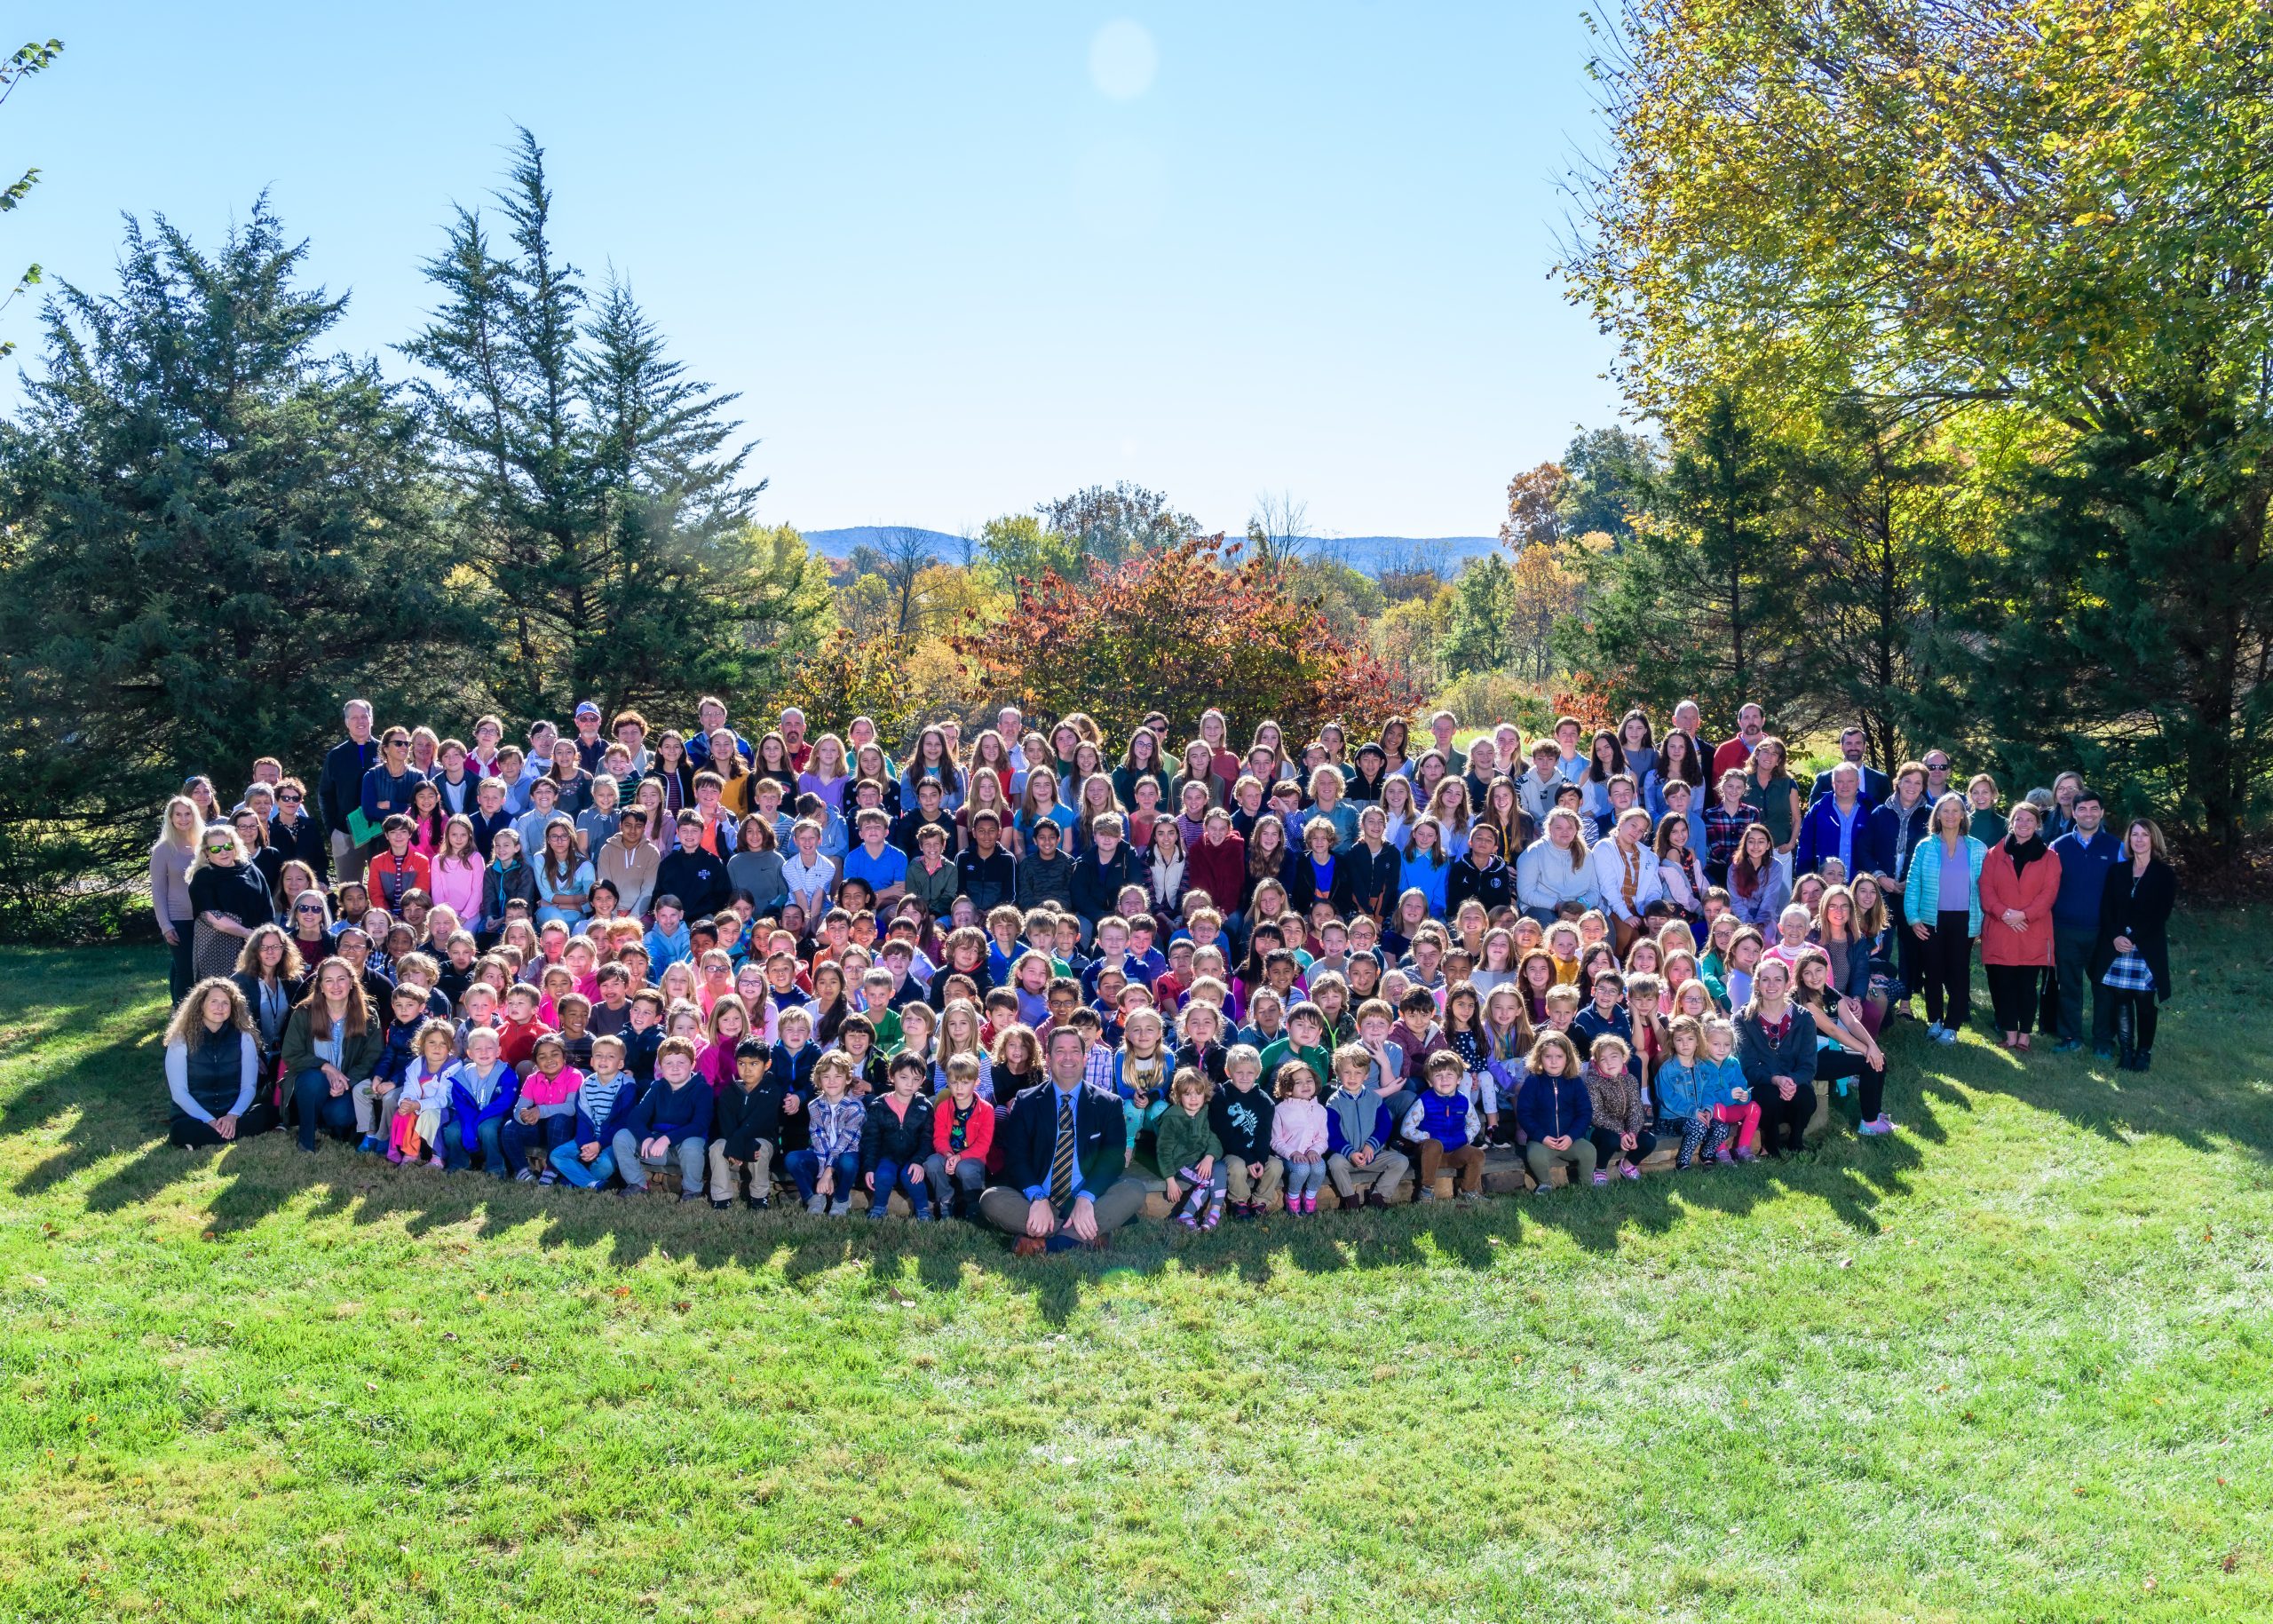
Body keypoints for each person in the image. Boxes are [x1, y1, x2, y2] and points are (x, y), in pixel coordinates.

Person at [979, 1026, 1143, 1252]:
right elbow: (1016, 1157)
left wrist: (1086, 1198)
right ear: (1048, 1058)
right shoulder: (1026, 1101)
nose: (1068, 1057)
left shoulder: (1108, 1103)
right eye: (1060, 1051)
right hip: (1038, 1199)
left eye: (1075, 1050)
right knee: (991, 1199)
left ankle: (1050, 1242)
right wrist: (1037, 1198)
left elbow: (1113, 1158)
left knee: (1134, 1190)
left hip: (1088, 1199)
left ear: (1084, 1058)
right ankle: (1084, 1235)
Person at [2092, 819, 2176, 1073]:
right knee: (2121, 997)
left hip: (2145, 946)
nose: (2138, 840)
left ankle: (2144, 1053)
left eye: (2144, 835)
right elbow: (2106, 909)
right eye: (2134, 835)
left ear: (2154, 840)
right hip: (2118, 945)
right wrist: (2116, 936)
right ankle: (2126, 1052)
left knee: (2144, 1000)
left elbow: (2161, 913)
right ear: (2128, 840)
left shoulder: (2164, 874)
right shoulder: (2117, 871)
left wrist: (2134, 937)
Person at [1903, 792, 1987, 1045]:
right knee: (1933, 970)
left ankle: (1952, 1025)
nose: (1950, 816)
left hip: (1965, 920)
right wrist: (1913, 918)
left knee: (1959, 972)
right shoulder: (1925, 846)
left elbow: (1986, 887)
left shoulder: (1977, 848)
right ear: (1937, 815)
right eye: (1945, 811)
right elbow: (1913, 884)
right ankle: (1936, 1020)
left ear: (1963, 815)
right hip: (1931, 919)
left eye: (1956, 811)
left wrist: (1983, 922)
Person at [1978, 801, 2060, 1052]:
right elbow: (1986, 889)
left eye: (2029, 820)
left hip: (2031, 931)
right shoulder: (1994, 854)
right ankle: (2009, 1034)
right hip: (2001, 930)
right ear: (2011, 823)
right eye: (2019, 819)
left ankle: (2025, 1035)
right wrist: (2005, 914)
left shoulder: (2050, 857)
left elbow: (2049, 893)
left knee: (2026, 988)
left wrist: (2023, 915)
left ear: (2037, 825)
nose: (2023, 824)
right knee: (2002, 986)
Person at [2047, 788, 2121, 1056]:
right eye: (2082, 809)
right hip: (2065, 928)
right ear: (2074, 812)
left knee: (2104, 987)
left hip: (2102, 931)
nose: (2088, 814)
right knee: (2068, 985)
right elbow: (2048, 886)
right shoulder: (2059, 846)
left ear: (2101, 812)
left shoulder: (2118, 848)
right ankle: (2070, 1037)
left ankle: (2103, 1042)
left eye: (2093, 809)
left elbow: (2125, 890)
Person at [281, 958, 381, 1153]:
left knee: (341, 1115)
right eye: (329, 980)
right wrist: (326, 1067)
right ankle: (306, 1141)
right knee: (314, 1079)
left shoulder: (367, 1015)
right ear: (320, 986)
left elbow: (372, 1056)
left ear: (351, 982)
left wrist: (346, 1082)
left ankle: (326, 1123)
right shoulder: (304, 1012)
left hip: (345, 1085)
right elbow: (291, 1054)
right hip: (309, 1084)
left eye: (341, 979)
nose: (335, 986)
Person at [164, 977, 276, 1148]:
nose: (220, 1007)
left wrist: (233, 1116)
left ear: (233, 1008)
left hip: (233, 1112)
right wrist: (208, 1120)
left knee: (268, 1113)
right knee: (180, 1130)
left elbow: (249, 1087)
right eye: (214, 1001)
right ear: (200, 1005)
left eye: (226, 1003)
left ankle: (214, 1136)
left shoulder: (244, 1037)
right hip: (195, 1115)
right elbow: (179, 1093)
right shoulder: (181, 1040)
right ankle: (224, 1134)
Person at [1735, 957, 1817, 1158]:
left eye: (1778, 979)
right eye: (1765, 979)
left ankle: (1796, 1140)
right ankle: (1770, 1144)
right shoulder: (1744, 1018)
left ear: (1788, 983)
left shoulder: (1804, 1018)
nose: (1772, 985)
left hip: (1793, 1085)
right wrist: (1775, 1079)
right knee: (1767, 1096)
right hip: (1764, 1085)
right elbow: (1749, 1066)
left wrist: (1791, 1081)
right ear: (1757, 983)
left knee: (1806, 1096)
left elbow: (1808, 1065)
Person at [616, 1036, 712, 1201]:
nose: (675, 1068)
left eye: (681, 1062)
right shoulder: (657, 1088)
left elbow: (699, 1124)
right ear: (661, 1067)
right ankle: (637, 1183)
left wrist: (667, 1138)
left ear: (692, 1064)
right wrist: (646, 1137)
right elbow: (635, 1117)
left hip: (684, 1149)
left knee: (693, 1143)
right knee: (622, 1136)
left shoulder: (702, 1089)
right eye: (668, 1063)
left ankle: (692, 1190)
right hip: (656, 1148)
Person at [187, 826, 276, 983]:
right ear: (206, 852)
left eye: (228, 846)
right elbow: (212, 916)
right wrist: (248, 934)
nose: (224, 852)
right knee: (223, 995)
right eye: (216, 849)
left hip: (258, 942)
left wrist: (265, 936)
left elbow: (266, 904)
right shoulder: (203, 877)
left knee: (257, 992)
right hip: (218, 948)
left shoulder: (250, 869)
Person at [1401, 1050, 1486, 1200]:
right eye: (1438, 1075)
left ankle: (1469, 1190)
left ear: (1459, 1078)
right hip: (1430, 1154)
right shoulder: (1424, 1101)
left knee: (1477, 1154)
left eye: (1450, 1075)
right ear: (1429, 1081)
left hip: (1455, 1152)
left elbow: (1474, 1124)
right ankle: (1427, 1191)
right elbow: (1406, 1129)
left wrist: (1466, 1137)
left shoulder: (1464, 1101)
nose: (1444, 1079)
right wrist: (1426, 1137)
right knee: (1433, 1145)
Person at [1517, 1030, 1594, 1192]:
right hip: (1542, 1141)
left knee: (1589, 1151)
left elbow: (1585, 1112)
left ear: (1568, 1058)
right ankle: (1545, 1183)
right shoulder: (1533, 1082)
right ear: (1539, 1057)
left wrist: (1572, 1136)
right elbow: (1524, 1113)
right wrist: (1541, 1137)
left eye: (1559, 1056)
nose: (1553, 1061)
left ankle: (1585, 1183)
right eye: (1548, 1056)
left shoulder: (1575, 1082)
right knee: (1534, 1155)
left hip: (1569, 1139)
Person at [1156, 1067, 1228, 1229]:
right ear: (1179, 1096)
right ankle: (1187, 1214)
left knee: (1221, 1167)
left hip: (1202, 1160)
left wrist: (1209, 1157)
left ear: (1205, 1094)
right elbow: (1163, 1151)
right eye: (1187, 1094)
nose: (1193, 1099)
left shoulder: (1206, 1112)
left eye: (1198, 1093)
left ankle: (1214, 1212)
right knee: (1208, 1182)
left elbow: (1214, 1138)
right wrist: (1170, 1180)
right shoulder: (1172, 1117)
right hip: (1182, 1163)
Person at [924, 1055, 994, 1220]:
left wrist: (959, 1157)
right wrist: (949, 1156)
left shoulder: (986, 1110)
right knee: (932, 1163)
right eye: (954, 1082)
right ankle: (946, 1201)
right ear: (948, 1082)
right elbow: (939, 1138)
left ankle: (974, 1206)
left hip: (972, 1160)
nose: (959, 1088)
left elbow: (983, 1145)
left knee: (965, 1168)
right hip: (949, 1156)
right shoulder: (943, 1108)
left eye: (965, 1083)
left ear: (976, 1082)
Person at [318, 700, 380, 883]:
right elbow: (325, 795)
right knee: (349, 892)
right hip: (346, 833)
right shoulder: (336, 756)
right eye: (354, 717)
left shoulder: (385, 750)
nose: (360, 721)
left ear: (371, 719)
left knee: (383, 889)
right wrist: (333, 831)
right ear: (347, 722)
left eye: (364, 716)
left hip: (380, 832)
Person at [152, 796, 203, 1000]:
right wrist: (166, 925)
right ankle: (180, 1015)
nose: (183, 819)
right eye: (178, 815)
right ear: (171, 818)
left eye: (188, 814)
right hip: (178, 920)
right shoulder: (162, 850)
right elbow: (158, 890)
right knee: (186, 971)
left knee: (195, 969)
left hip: (204, 918)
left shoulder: (205, 845)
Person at [1810, 726, 1891, 805]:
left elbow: (1886, 814)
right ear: (1841, 747)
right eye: (1849, 743)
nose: (1853, 748)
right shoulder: (1824, 779)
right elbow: (1812, 814)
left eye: (1858, 743)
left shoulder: (1881, 780)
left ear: (1865, 746)